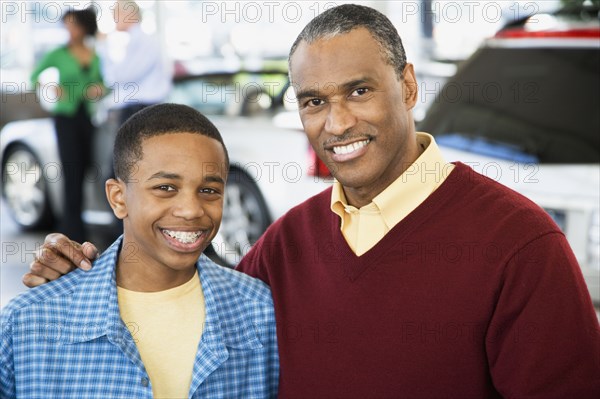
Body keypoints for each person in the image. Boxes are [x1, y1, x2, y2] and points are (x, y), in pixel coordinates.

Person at [22, 4, 600, 398]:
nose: (337, 121)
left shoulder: (520, 246)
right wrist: (88, 270)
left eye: (359, 90)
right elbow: (192, 308)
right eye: (313, 102)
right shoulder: (289, 240)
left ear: (408, 86)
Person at [0, 104, 279, 398]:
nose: (190, 210)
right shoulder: (29, 323)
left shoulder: (260, 313)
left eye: (209, 191)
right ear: (118, 198)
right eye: (166, 188)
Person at [30, 7, 104, 243]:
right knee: (71, 171)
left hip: (86, 117)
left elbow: (105, 83)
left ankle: (81, 225)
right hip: (65, 118)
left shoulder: (95, 55)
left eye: (73, 25)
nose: (69, 30)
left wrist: (99, 89)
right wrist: (49, 87)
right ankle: (71, 231)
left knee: (86, 170)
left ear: (84, 27)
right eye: (67, 25)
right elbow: (35, 76)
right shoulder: (59, 54)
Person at [97, 0, 172, 126]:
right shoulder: (134, 42)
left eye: (116, 13)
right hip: (138, 109)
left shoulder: (144, 42)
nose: (113, 18)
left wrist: (103, 47)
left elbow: (119, 77)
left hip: (141, 110)